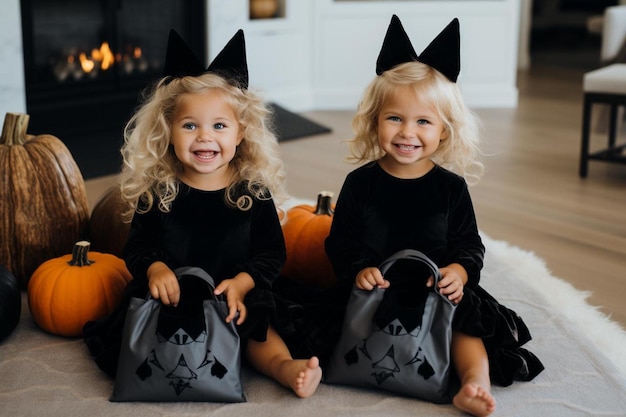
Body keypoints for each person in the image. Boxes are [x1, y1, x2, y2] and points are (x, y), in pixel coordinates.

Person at [321, 16, 544, 417]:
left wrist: (459, 270)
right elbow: (340, 240)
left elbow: (468, 244)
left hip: (435, 291)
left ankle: (473, 382)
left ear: (444, 131)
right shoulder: (361, 183)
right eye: (395, 118)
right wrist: (359, 269)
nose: (408, 132)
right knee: (326, 325)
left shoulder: (450, 188)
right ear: (375, 121)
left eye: (423, 121)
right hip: (376, 289)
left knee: (467, 325)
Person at [83, 29, 321, 399]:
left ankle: (283, 368)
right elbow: (139, 245)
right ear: (168, 132)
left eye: (219, 126)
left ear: (241, 133)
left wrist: (243, 282)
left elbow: (271, 253)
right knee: (147, 335)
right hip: (174, 295)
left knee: (259, 327)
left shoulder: (251, 192)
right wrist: (155, 269)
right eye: (190, 125)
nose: (204, 137)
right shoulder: (160, 190)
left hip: (232, 296)